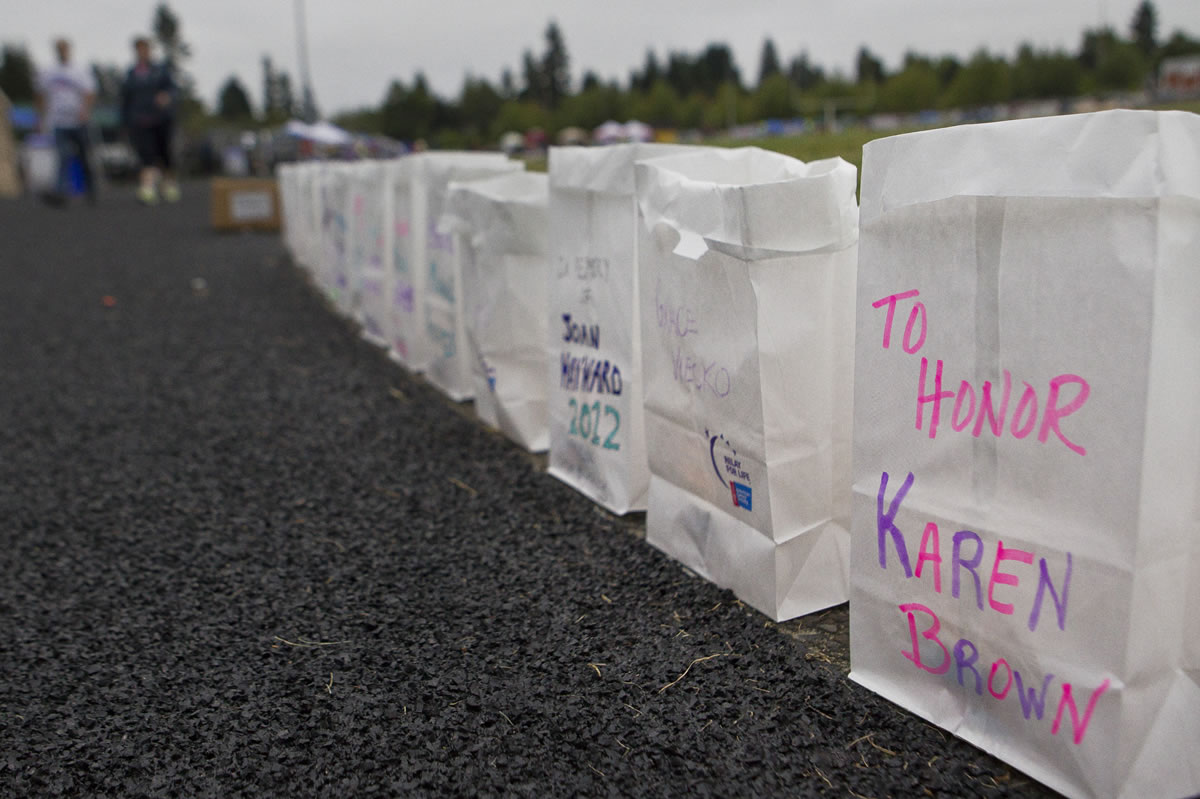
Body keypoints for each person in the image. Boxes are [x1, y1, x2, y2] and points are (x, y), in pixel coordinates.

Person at [35, 38, 97, 206]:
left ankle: (91, 190)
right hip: (58, 121)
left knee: (84, 156)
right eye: (59, 48)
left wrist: (85, 111)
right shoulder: (48, 72)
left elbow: (90, 92)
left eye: (64, 48)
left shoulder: (79, 70)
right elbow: (40, 95)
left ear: (69, 50)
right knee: (62, 156)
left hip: (78, 121)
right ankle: (60, 192)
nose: (62, 51)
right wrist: (41, 117)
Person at [120, 36, 178, 204]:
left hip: (161, 119)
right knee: (146, 155)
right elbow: (125, 99)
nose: (142, 52)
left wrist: (167, 96)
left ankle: (168, 183)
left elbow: (173, 89)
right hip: (140, 121)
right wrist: (125, 121)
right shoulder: (131, 74)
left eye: (144, 49)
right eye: (139, 49)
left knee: (164, 154)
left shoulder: (160, 71)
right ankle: (147, 188)